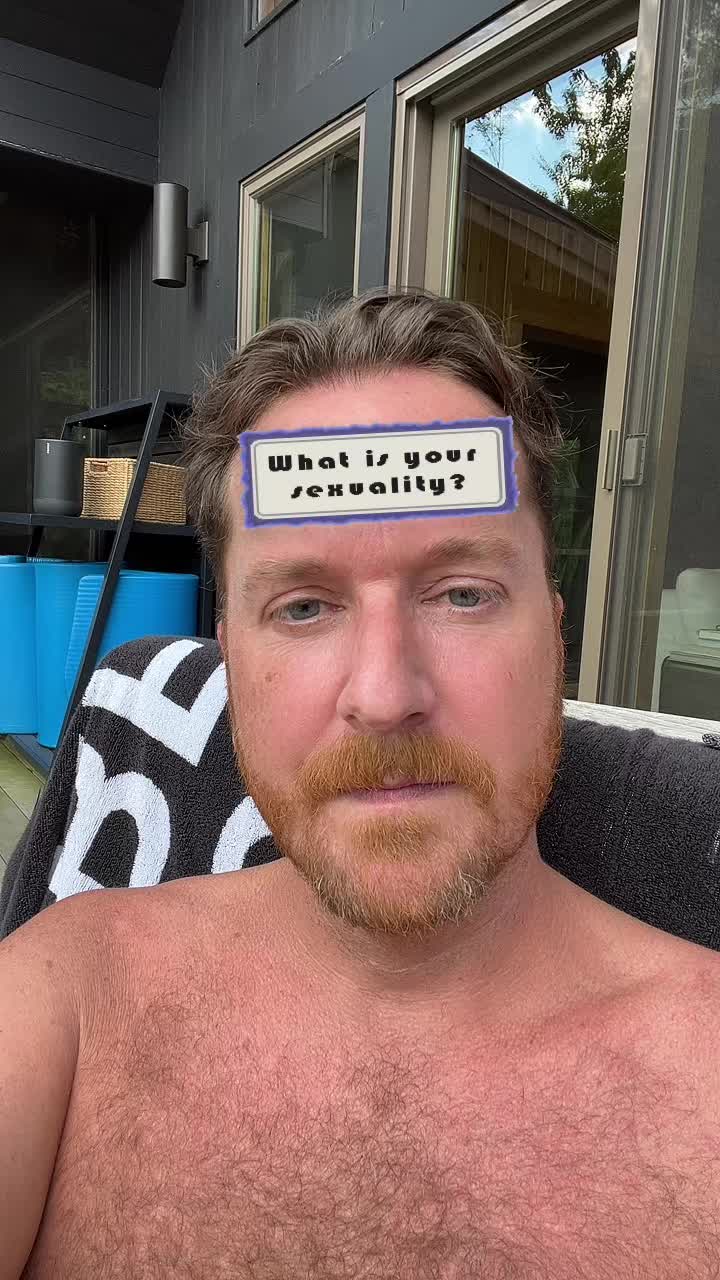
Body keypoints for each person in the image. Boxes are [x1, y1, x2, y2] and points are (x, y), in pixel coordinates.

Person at [1, 290, 719, 1279]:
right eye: (304, 607)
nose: (384, 696)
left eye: (463, 593)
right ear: (230, 656)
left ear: (555, 637)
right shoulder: (67, 1002)